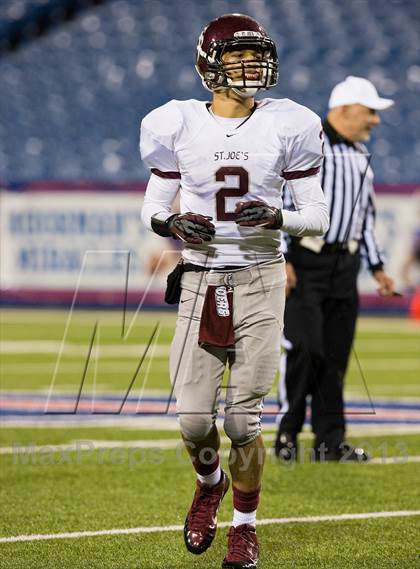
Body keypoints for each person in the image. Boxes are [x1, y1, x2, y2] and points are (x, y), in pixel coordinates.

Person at [140, 14, 328, 569]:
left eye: (256, 56)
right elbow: (153, 203)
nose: (251, 67)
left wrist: (278, 217)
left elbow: (317, 215)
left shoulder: (290, 122)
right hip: (200, 278)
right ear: (208, 65)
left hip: (261, 277)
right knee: (195, 422)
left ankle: (245, 526)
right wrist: (167, 226)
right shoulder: (175, 122)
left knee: (244, 421)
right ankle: (210, 483)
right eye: (239, 57)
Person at [274, 76, 396, 463]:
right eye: (370, 111)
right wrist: (282, 257)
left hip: (347, 264)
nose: (375, 120)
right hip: (306, 262)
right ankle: (287, 432)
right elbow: (278, 200)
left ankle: (330, 441)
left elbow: (365, 216)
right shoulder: (312, 145)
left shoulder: (360, 156)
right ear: (343, 110)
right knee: (306, 348)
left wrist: (377, 267)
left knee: (337, 355)